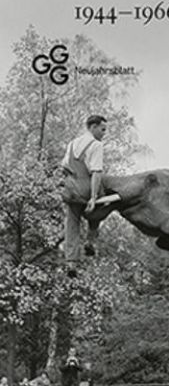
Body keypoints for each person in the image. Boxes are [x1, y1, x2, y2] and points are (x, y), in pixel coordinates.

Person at [61, 115, 107, 276]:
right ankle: (90, 241)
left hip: (71, 189)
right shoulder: (96, 145)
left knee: (72, 223)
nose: (104, 133)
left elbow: (64, 165)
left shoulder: (72, 144)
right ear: (93, 127)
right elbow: (96, 173)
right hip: (86, 187)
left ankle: (71, 262)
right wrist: (93, 197)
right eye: (102, 129)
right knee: (100, 210)